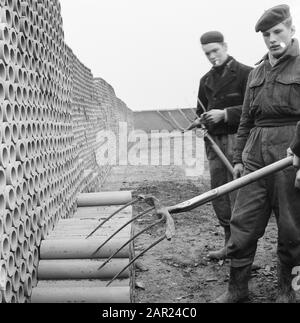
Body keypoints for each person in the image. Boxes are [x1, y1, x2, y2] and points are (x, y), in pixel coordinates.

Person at [215, 4, 300, 303]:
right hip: (255, 154)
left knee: (292, 227)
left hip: (291, 153)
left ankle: (286, 290)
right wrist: (238, 158)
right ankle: (237, 290)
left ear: (292, 30)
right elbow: (246, 120)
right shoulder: (258, 71)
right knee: (243, 221)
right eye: (266, 34)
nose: (272, 39)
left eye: (277, 32)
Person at [196, 31, 252, 260]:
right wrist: (200, 123)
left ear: (225, 46)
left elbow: (254, 111)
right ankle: (229, 245)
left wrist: (226, 114)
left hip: (239, 142)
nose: (211, 56)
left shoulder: (246, 73)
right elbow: (200, 112)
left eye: (215, 51)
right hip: (214, 145)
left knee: (240, 195)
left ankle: (244, 252)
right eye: (207, 53)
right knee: (219, 193)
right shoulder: (205, 81)